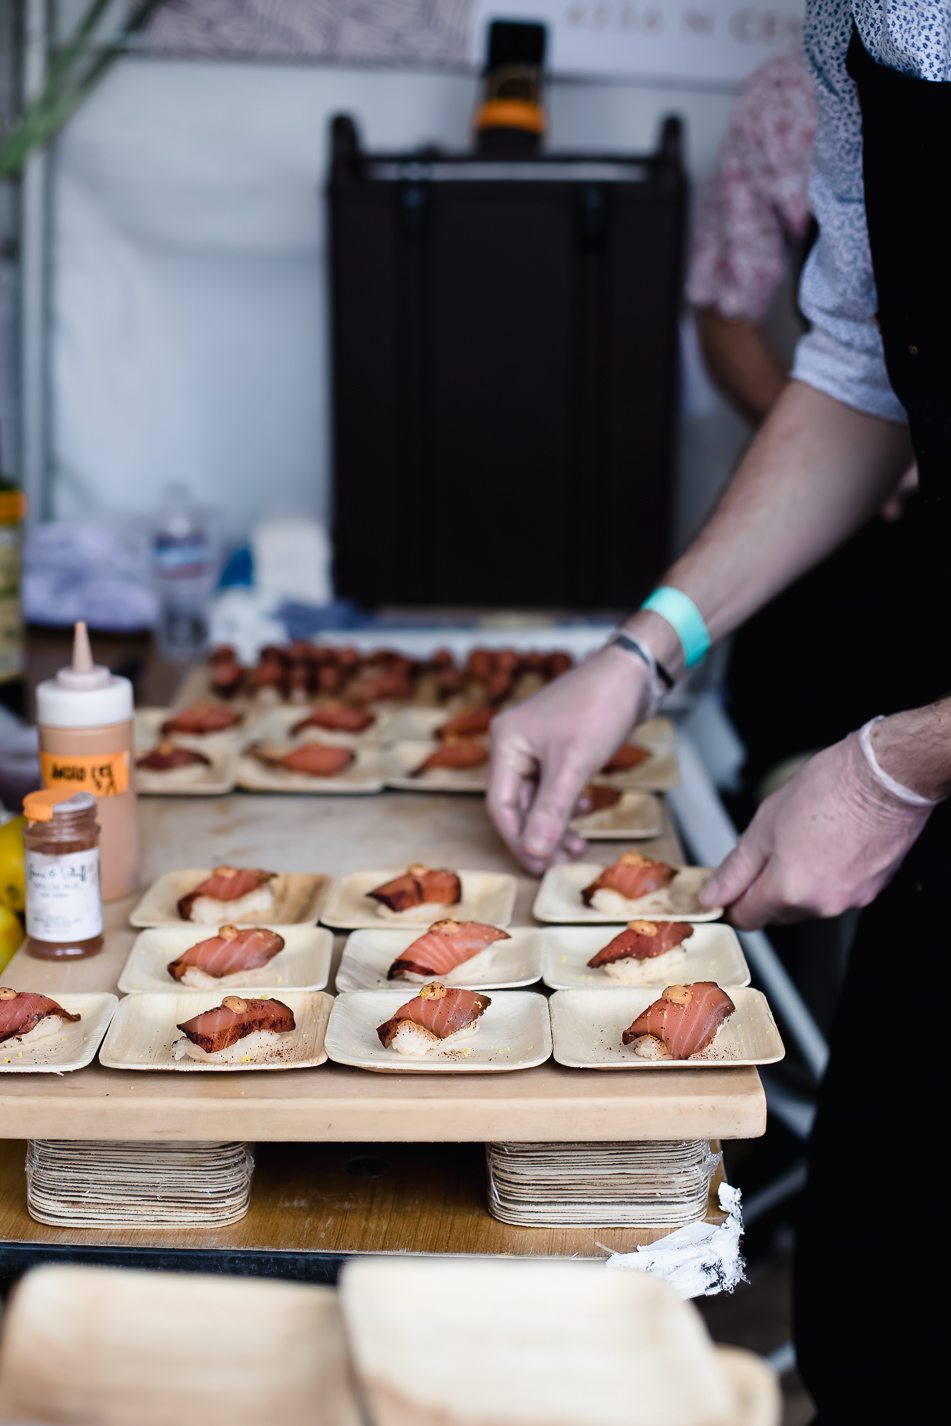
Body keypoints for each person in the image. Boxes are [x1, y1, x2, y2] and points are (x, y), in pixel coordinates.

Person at [488, 4, 949, 1415]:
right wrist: (643, 651)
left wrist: (898, 763)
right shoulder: (862, 26)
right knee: (885, 1308)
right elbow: (861, 365)